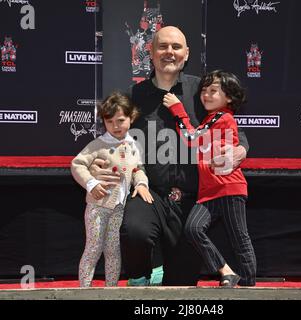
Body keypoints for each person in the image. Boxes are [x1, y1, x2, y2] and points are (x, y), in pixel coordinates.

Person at [90, 26, 250, 286]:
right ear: (150, 53)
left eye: (176, 47)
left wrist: (240, 150)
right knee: (135, 232)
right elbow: (112, 138)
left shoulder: (203, 90)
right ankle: (140, 277)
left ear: (186, 54)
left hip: (192, 201)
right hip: (149, 194)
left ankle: (164, 272)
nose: (169, 52)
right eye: (162, 46)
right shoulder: (134, 96)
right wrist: (99, 161)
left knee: (181, 284)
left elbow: (233, 129)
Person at [162, 70, 256, 286]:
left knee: (240, 238)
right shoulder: (212, 118)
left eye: (213, 91)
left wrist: (177, 109)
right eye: (204, 90)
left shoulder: (222, 118)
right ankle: (227, 271)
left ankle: (250, 285)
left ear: (229, 98)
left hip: (229, 188)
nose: (206, 95)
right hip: (209, 191)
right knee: (193, 229)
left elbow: (191, 138)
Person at [71, 91, 153, 287]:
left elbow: (138, 169)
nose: (115, 126)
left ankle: (111, 290)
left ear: (131, 118)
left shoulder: (134, 145)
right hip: (97, 207)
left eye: (120, 120)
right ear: (104, 122)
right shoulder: (97, 145)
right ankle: (83, 290)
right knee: (93, 248)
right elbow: (77, 164)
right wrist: (91, 183)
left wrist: (141, 183)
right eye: (109, 122)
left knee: (113, 250)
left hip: (119, 208)